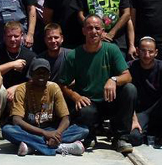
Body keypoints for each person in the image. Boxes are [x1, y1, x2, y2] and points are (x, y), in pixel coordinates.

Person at [58, 15, 138, 153]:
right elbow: (62, 85)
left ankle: (121, 138)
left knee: (130, 89)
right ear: (83, 31)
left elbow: (128, 76)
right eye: (89, 28)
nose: (93, 31)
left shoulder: (111, 49)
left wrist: (113, 80)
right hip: (89, 102)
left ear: (102, 31)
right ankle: (90, 135)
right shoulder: (74, 55)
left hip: (110, 100)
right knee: (84, 109)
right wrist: (75, 96)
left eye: (97, 28)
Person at [2, 58, 89, 156]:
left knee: (83, 130)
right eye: (38, 72)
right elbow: (17, 120)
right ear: (31, 74)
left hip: (51, 129)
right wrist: (44, 134)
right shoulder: (22, 89)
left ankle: (32, 146)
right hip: (29, 130)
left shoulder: (54, 87)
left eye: (45, 72)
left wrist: (56, 133)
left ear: (49, 75)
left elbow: (65, 118)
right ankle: (59, 147)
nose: (41, 75)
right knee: (7, 130)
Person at [126, 37, 162, 147]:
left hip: (158, 108)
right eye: (143, 51)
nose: (147, 55)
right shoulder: (130, 67)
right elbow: (125, 96)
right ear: (137, 51)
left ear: (156, 52)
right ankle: (148, 132)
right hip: (139, 111)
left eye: (150, 52)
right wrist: (133, 118)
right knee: (134, 138)